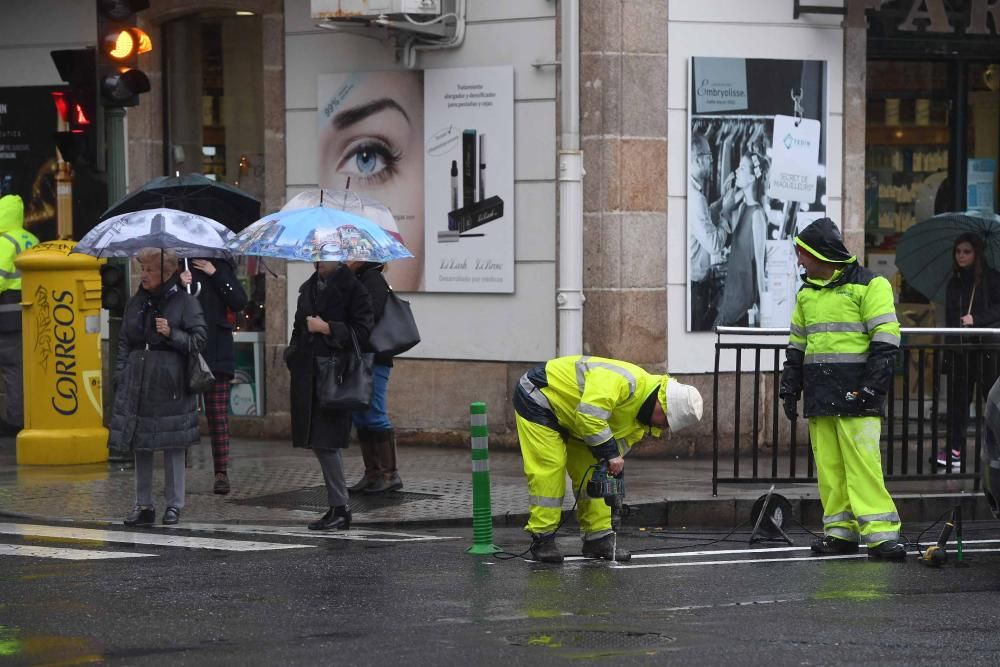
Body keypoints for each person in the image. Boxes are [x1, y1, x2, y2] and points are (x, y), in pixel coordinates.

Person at [779, 217, 906, 560]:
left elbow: (886, 341)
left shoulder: (871, 285)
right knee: (830, 469)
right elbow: (797, 345)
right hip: (822, 394)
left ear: (821, 255)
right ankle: (840, 532)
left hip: (855, 392)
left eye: (802, 254)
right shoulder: (807, 293)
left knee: (863, 465)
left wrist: (872, 388)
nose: (800, 261)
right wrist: (789, 386)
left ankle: (882, 536)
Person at [513, 356, 704, 563]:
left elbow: (610, 456)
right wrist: (611, 455)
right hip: (540, 397)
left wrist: (611, 472)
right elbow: (589, 415)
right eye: (664, 420)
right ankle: (543, 538)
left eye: (668, 425)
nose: (662, 426)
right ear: (661, 402)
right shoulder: (626, 382)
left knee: (596, 473)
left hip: (576, 420)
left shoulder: (640, 424)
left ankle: (598, 538)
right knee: (550, 467)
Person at [109, 248, 207, 527]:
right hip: (138, 381)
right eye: (143, 269)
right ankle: (143, 505)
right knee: (141, 443)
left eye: (150, 269)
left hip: (171, 383)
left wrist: (171, 333)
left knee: (173, 445)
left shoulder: (185, 302)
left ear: (167, 273)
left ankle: (174, 505)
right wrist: (121, 374)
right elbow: (125, 341)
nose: (144, 275)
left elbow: (199, 340)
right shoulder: (136, 302)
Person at [286, 260, 374, 530]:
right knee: (318, 442)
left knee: (326, 442)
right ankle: (337, 507)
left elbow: (363, 332)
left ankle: (340, 508)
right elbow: (298, 327)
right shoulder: (309, 288)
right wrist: (293, 354)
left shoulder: (354, 290)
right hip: (308, 373)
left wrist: (327, 328)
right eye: (314, 253)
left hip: (335, 374)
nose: (317, 259)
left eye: (323, 254)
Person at [319, 71, 424, 291]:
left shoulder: (372, 287)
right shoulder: (319, 287)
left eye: (365, 157)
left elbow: (362, 322)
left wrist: (327, 327)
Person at [179, 258, 249, 494]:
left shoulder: (221, 265)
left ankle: (221, 473)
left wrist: (215, 273)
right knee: (181, 412)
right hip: (186, 349)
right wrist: (179, 284)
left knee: (217, 416)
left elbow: (239, 300)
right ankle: (178, 470)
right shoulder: (181, 266)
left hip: (216, 349)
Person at [942, 232, 1000, 470]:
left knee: (992, 401)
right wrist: (949, 352)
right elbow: (949, 319)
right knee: (958, 403)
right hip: (962, 351)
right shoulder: (954, 283)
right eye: (958, 252)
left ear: (976, 254)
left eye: (966, 251)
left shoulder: (992, 279)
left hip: (986, 350)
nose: (961, 256)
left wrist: (976, 318)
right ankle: (955, 449)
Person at [346, 261, 402, 494]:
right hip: (361, 357)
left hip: (375, 357)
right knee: (361, 415)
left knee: (375, 414)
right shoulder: (358, 279)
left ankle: (389, 474)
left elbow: (370, 315)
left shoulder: (373, 279)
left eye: (350, 255)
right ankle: (373, 473)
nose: (345, 259)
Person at [714, 149, 769, 327]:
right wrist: (726, 194)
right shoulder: (742, 207)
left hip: (742, 303)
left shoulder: (757, 215)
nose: (736, 171)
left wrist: (764, 308)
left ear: (753, 177)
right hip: (731, 295)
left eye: (742, 168)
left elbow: (761, 265)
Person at [688, 132, 737, 331]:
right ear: (699, 160)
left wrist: (721, 200)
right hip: (695, 285)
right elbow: (715, 245)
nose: (712, 161)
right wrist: (725, 213)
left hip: (695, 282)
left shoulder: (692, 193)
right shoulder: (695, 198)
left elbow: (703, 218)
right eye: (709, 157)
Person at [0, 195, 38, 436]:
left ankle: (14, 420)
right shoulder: (31, 238)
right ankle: (24, 416)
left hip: (6, 313)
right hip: (28, 313)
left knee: (11, 369)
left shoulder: (5, 241)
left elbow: (1, 276)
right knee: (21, 369)